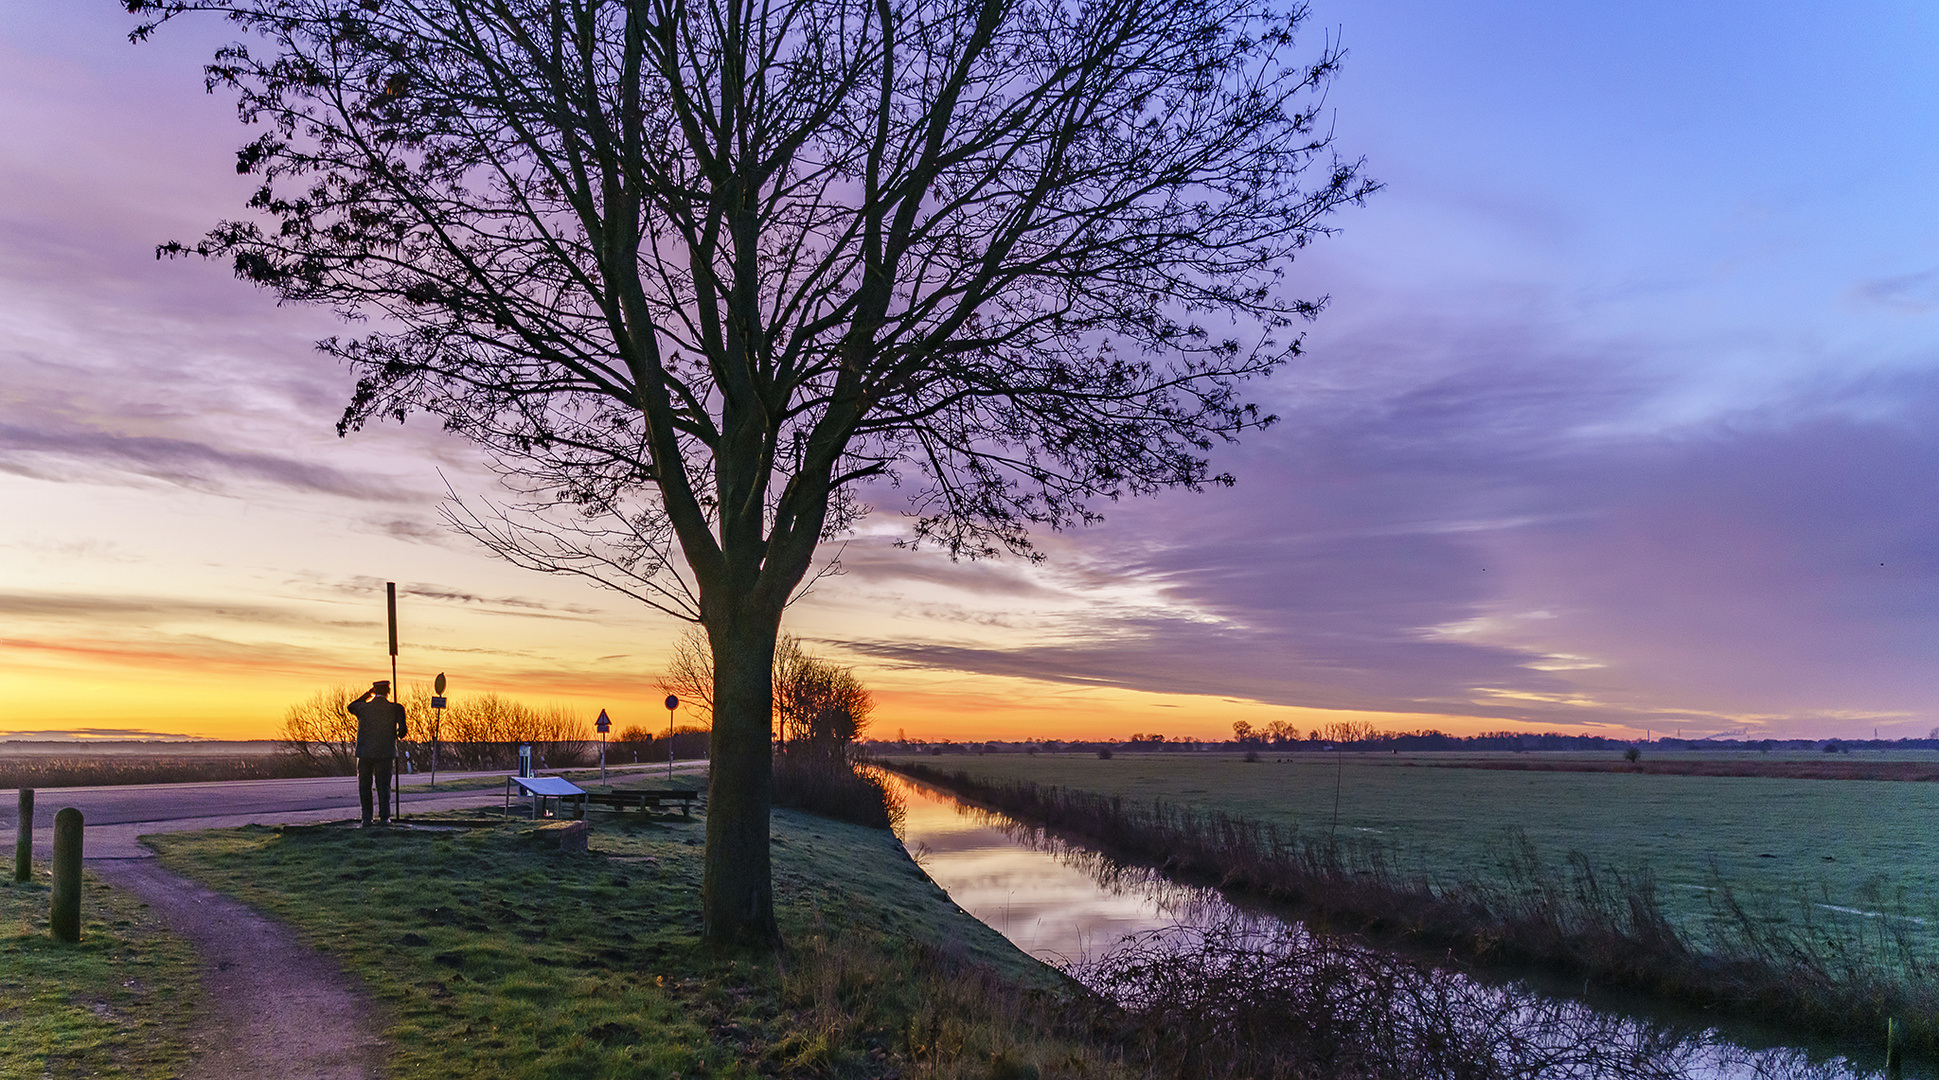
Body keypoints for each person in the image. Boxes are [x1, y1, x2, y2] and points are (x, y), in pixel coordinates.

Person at [347, 680, 409, 827]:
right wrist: (397, 733)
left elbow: (350, 706)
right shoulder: (396, 708)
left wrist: (367, 694)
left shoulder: (363, 708)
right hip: (385, 752)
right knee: (383, 786)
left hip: (365, 753)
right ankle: (384, 817)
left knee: (364, 786)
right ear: (389, 691)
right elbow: (403, 732)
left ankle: (366, 818)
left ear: (374, 690)